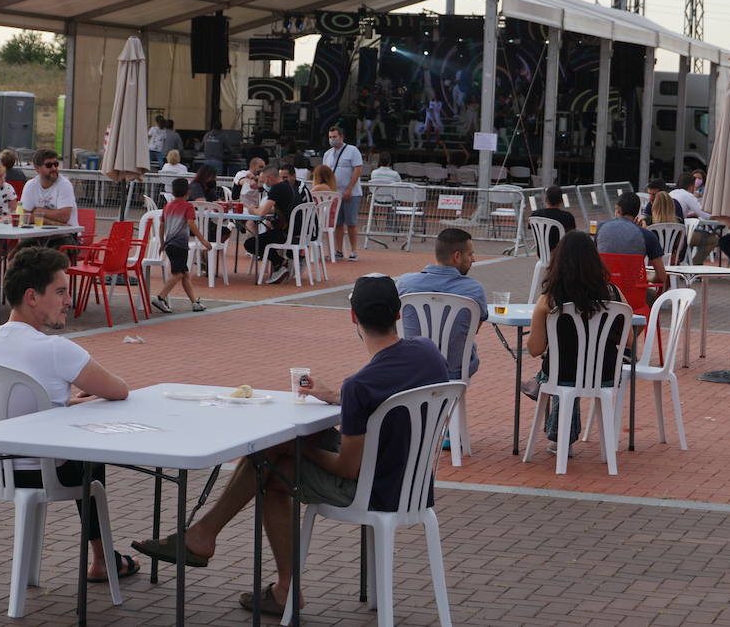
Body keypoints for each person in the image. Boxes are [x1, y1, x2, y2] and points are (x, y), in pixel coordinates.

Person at [130, 274, 448, 617]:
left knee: (271, 470)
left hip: (377, 489)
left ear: (352, 316)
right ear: (398, 313)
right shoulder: (427, 353)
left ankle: (276, 584)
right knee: (272, 454)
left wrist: (299, 448)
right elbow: (391, 394)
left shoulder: (360, 386)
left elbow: (347, 468)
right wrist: (336, 396)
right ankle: (207, 538)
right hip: (412, 482)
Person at [0, 247, 137, 583]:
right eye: (60, 292)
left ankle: (104, 560)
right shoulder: (56, 350)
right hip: (49, 473)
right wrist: (80, 400)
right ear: (32, 296)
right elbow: (119, 390)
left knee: (77, 451)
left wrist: (63, 403)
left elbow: (19, 406)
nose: (68, 301)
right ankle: (103, 559)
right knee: (90, 459)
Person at [526, 230, 626, 446]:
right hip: (605, 373)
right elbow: (628, 341)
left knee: (556, 373)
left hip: (562, 373)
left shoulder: (549, 299)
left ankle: (560, 435)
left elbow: (535, 349)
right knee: (568, 372)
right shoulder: (614, 294)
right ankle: (561, 435)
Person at [395, 228, 488, 380]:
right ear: (457, 256)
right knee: (469, 345)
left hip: (412, 370)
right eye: (470, 254)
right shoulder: (474, 289)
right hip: (455, 372)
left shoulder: (404, 283)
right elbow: (473, 330)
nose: (473, 260)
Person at [149, 177, 210, 314]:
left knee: (185, 274)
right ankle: (160, 297)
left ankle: (194, 302)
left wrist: (162, 242)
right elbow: (190, 223)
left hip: (170, 244)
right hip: (180, 244)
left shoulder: (167, 206)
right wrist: (203, 241)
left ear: (172, 192)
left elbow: (162, 225)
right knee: (178, 275)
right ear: (188, 192)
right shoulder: (188, 207)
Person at [597, 192, 667, 284]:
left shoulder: (601, 228)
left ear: (618, 209)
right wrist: (647, 277)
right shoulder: (647, 235)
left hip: (606, 288)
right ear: (637, 212)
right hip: (633, 290)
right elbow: (662, 277)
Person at [245, 165, 299, 285]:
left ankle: (280, 263)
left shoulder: (276, 188)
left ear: (269, 178)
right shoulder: (290, 186)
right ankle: (280, 264)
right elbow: (282, 207)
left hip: (287, 234)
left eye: (263, 181)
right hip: (298, 232)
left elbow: (262, 213)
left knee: (250, 243)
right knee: (264, 239)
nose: (263, 184)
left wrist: (252, 210)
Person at [322, 126, 364, 262]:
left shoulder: (352, 151)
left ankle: (353, 251)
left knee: (351, 223)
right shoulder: (327, 154)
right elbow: (325, 173)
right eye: (330, 137)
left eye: (334, 137)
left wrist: (349, 189)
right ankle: (338, 251)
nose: (332, 139)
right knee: (337, 224)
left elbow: (357, 170)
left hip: (351, 193)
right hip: (334, 194)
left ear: (341, 137)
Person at [530, 186, 577, 251]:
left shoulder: (535, 215)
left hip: (542, 253)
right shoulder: (568, 216)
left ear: (546, 199)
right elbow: (572, 235)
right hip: (561, 253)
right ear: (561, 200)